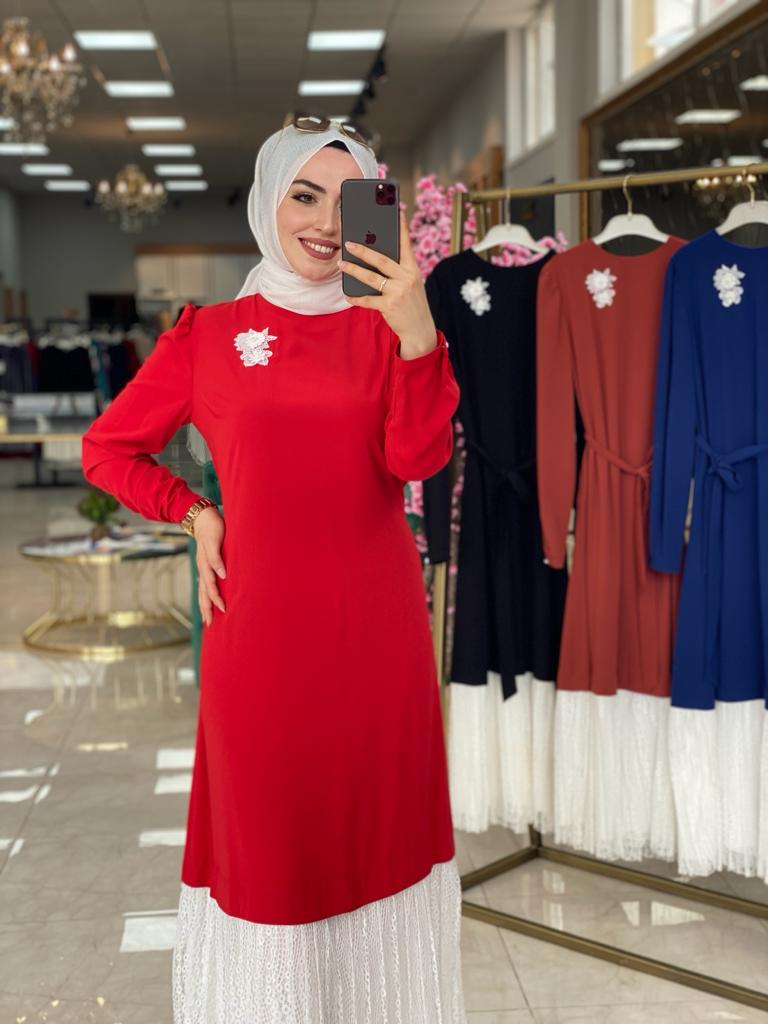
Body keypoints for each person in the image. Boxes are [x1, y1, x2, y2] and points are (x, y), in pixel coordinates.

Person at [81, 118, 467, 1023]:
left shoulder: (388, 327)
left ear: (376, 211)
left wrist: (419, 334)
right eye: (304, 195)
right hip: (261, 644)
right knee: (273, 851)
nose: (327, 222)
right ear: (267, 203)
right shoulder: (209, 335)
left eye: (348, 200)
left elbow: (417, 461)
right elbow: (108, 449)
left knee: (376, 838)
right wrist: (194, 510)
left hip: (377, 637)